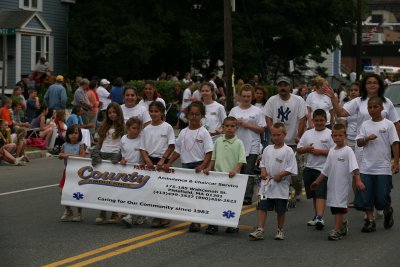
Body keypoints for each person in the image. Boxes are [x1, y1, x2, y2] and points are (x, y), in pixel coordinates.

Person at [163, 101, 213, 232]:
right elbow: (178, 150)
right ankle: (193, 219)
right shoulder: (183, 132)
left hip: (198, 166)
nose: (194, 117)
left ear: (202, 116)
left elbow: (209, 152)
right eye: (192, 114)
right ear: (188, 115)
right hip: (185, 166)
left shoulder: (204, 132)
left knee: (199, 195)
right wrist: (169, 162)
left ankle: (200, 221)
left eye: (197, 114)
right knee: (189, 195)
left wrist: (203, 165)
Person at [310, 124, 365, 240]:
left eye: (340, 135)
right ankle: (343, 224)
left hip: (343, 186)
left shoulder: (348, 151)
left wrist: (358, 181)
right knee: (335, 209)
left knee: (339, 208)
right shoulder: (331, 151)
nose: (338, 138)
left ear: (345, 135)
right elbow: (325, 170)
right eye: (335, 135)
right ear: (332, 136)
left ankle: (337, 230)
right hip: (332, 186)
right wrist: (317, 182)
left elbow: (355, 168)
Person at [354, 96, 399, 233]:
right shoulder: (365, 125)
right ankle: (370, 220)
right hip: (366, 167)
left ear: (381, 108)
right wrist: (367, 138)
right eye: (370, 107)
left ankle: (387, 210)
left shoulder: (388, 124)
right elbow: (359, 142)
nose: (372, 110)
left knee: (382, 198)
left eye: (375, 107)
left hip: (383, 168)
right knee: (366, 196)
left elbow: (395, 143)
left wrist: (396, 161)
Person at [249, 122, 298, 240]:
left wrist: (281, 174)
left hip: (281, 186)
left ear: (284, 134)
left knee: (280, 210)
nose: (275, 137)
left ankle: (280, 230)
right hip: (267, 185)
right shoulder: (267, 149)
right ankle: (260, 229)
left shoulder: (288, 151)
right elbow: (263, 163)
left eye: (278, 135)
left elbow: (292, 168)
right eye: (273, 135)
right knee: (262, 207)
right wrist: (263, 172)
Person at [264, 76, 307, 202]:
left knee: (295, 172)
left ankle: (297, 189)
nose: (283, 88)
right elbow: (268, 117)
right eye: (280, 85)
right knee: (277, 168)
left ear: (290, 87)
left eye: (285, 85)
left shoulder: (298, 100)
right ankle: (281, 194)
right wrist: (273, 132)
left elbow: (302, 119)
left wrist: (298, 135)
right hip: (278, 141)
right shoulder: (272, 100)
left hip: (293, 141)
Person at [203, 117, 247, 234]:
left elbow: (241, 160)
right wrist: (209, 168)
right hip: (218, 177)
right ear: (223, 127)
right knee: (215, 201)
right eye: (227, 126)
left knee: (231, 202)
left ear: (236, 128)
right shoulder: (218, 141)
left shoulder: (239, 143)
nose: (229, 128)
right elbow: (213, 158)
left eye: (232, 126)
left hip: (232, 178)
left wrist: (235, 170)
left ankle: (231, 224)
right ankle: (213, 224)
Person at [297, 109, 335, 229]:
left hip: (323, 170)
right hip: (309, 167)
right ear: (312, 121)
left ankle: (319, 217)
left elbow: (335, 151)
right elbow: (299, 149)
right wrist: (307, 149)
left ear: (326, 120)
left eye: (321, 120)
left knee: (320, 193)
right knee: (313, 194)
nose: (319, 123)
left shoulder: (330, 133)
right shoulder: (308, 133)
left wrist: (320, 152)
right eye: (316, 120)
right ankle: (317, 216)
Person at [140, 101, 175, 228]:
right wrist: (146, 159)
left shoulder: (167, 127)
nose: (154, 114)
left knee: (162, 190)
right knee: (151, 189)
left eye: (156, 111)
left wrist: (163, 159)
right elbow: (142, 147)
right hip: (150, 161)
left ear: (162, 113)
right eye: (152, 111)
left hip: (162, 161)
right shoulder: (146, 129)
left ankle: (164, 216)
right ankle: (156, 216)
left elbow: (171, 145)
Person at [229, 84, 266, 205]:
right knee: (237, 170)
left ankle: (247, 196)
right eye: (244, 96)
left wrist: (247, 124)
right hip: (237, 144)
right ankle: (236, 193)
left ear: (252, 97)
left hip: (252, 144)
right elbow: (228, 126)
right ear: (240, 96)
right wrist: (235, 123)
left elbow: (261, 129)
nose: (246, 99)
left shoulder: (257, 111)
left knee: (248, 171)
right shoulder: (234, 110)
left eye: (248, 96)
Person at [91, 102, 125, 224]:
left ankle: (115, 212)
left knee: (114, 186)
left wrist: (120, 155)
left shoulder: (123, 127)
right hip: (103, 156)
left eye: (114, 112)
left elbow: (124, 144)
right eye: (109, 112)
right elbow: (100, 142)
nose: (112, 114)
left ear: (119, 113)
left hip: (114, 157)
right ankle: (102, 211)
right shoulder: (103, 126)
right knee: (103, 186)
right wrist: (96, 152)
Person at [119, 117, 147, 227]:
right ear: (128, 128)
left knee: (137, 193)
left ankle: (131, 216)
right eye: (134, 128)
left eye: (138, 128)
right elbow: (122, 152)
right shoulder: (123, 139)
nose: (136, 130)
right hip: (127, 170)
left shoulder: (142, 139)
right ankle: (139, 215)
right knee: (128, 192)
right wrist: (122, 159)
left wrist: (144, 161)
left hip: (139, 170)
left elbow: (145, 153)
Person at [58, 124, 86, 222]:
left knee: (77, 193)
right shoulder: (65, 145)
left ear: (79, 134)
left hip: (77, 171)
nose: (73, 135)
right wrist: (61, 155)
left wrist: (68, 155)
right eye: (71, 133)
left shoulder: (81, 145)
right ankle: (68, 209)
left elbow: (82, 156)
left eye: (76, 133)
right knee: (62, 190)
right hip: (67, 170)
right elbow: (61, 154)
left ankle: (79, 213)